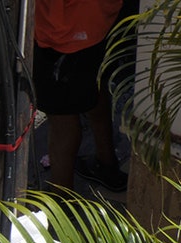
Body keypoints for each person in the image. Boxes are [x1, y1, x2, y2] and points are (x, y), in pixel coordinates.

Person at [34, 0, 128, 193]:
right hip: (101, 18)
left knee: (61, 116)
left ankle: (62, 201)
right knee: (93, 83)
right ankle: (106, 164)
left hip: (65, 31)